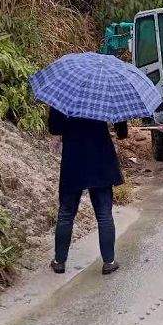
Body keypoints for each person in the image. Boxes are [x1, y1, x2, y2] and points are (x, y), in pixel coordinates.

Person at [48, 107, 128, 275]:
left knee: (66, 213)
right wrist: (120, 131)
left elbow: (55, 127)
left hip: (73, 157)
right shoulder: (105, 90)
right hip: (101, 158)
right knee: (104, 214)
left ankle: (59, 261)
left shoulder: (67, 89)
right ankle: (109, 262)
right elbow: (121, 129)